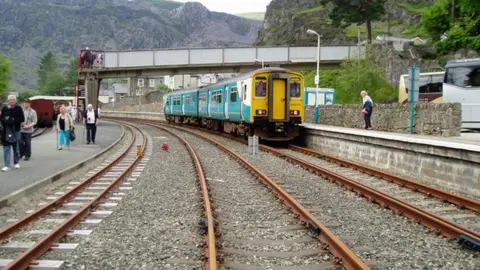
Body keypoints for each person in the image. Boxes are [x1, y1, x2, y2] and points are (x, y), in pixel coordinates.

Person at [1, 95, 25, 172]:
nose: (12, 101)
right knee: (6, 148)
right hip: (6, 130)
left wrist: (13, 121)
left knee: (16, 147)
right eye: (11, 100)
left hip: (16, 130)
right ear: (8, 100)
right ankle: (7, 165)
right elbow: (1, 118)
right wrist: (6, 121)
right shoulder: (5, 108)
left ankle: (16, 162)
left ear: (16, 100)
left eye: (13, 99)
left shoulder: (19, 108)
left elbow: (22, 119)